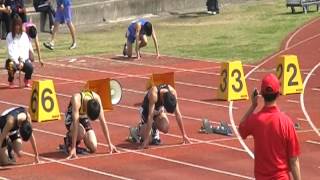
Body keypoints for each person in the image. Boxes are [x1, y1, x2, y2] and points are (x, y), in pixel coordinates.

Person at [239, 74, 301, 180]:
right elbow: (294, 160)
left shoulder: (255, 120)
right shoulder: (286, 122)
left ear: (261, 94)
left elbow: (241, 129)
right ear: (278, 94)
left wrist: (253, 105)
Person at [131, 84, 190, 149]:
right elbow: (150, 116)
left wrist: (184, 135)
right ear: (163, 100)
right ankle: (136, 131)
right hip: (147, 112)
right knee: (149, 140)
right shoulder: (154, 94)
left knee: (165, 128)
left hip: (158, 111)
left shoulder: (173, 92)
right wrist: (146, 140)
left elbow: (178, 114)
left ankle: (153, 128)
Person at [64, 90, 118, 159]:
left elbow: (103, 122)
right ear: (86, 109)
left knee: (93, 147)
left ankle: (82, 136)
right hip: (71, 119)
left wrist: (109, 143)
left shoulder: (97, 98)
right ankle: (69, 140)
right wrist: (73, 147)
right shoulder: (76, 99)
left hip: (83, 118)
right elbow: (75, 123)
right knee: (81, 132)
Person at [5, 15, 33, 88]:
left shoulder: (24, 36)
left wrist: (22, 61)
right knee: (11, 66)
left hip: (23, 60)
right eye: (15, 25)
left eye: (18, 25)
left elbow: (25, 49)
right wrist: (17, 63)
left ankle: (26, 79)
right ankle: (11, 80)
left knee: (30, 67)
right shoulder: (9, 36)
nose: (17, 27)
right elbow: (10, 51)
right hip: (13, 60)